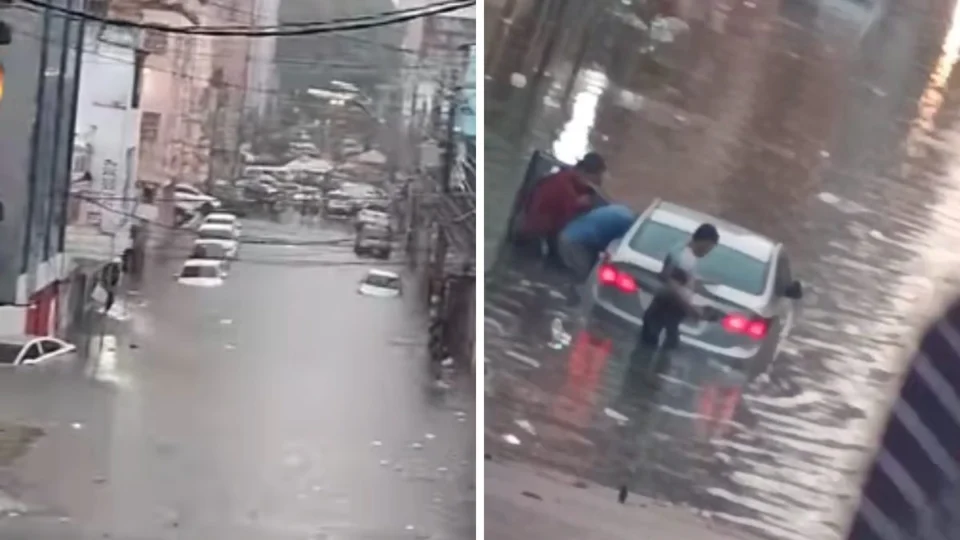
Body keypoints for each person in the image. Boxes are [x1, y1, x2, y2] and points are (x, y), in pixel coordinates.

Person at [639, 223, 720, 349]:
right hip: (665, 310)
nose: (707, 252)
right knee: (657, 347)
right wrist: (692, 309)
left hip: (665, 311)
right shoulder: (685, 258)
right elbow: (673, 285)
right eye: (709, 248)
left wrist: (699, 282)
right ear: (704, 242)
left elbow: (679, 279)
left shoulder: (683, 250)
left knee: (662, 343)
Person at [520, 152, 607, 261]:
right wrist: (578, 204)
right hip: (534, 236)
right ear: (585, 172)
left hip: (545, 234)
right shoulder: (562, 183)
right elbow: (565, 212)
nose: (598, 181)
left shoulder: (569, 178)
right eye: (596, 177)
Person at [556, 204, 636, 305]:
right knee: (586, 276)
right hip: (576, 242)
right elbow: (614, 249)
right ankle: (572, 301)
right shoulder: (627, 225)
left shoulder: (623, 211)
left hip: (568, 234)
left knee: (582, 272)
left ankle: (568, 295)